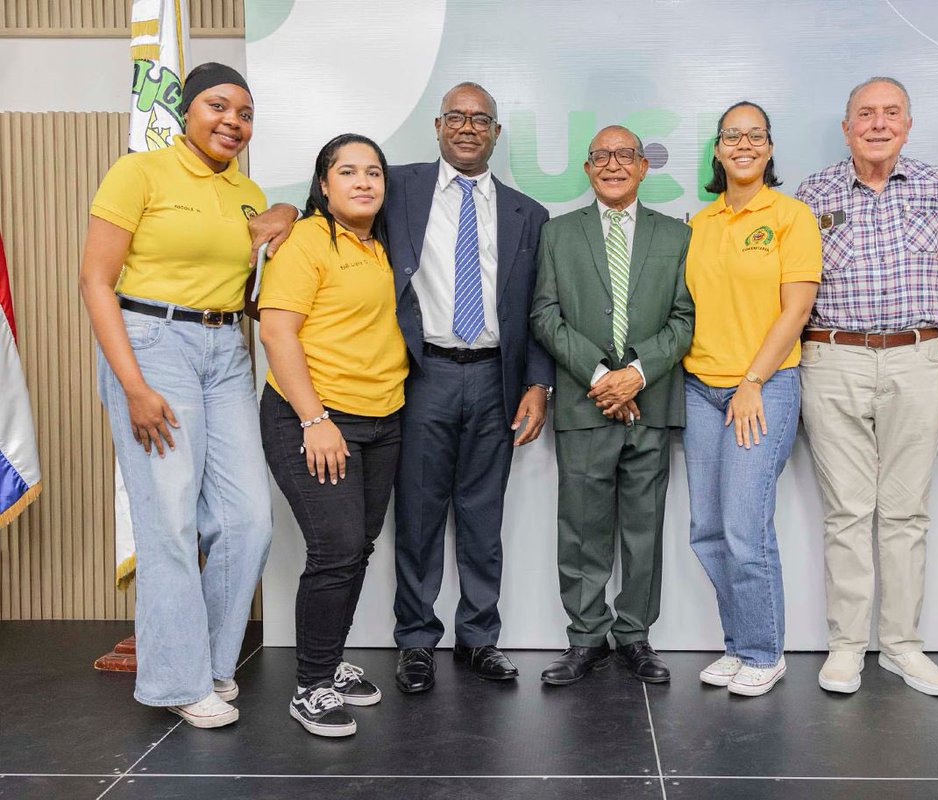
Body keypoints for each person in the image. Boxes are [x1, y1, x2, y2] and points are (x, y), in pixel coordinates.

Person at [249, 82, 552, 693]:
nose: (467, 127)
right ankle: (416, 640)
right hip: (422, 374)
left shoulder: (529, 213)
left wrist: (538, 382)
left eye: (481, 119)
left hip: (495, 377)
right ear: (437, 126)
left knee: (482, 515)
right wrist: (282, 212)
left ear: (496, 132)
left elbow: (537, 304)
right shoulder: (398, 187)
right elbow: (329, 208)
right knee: (417, 514)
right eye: (456, 116)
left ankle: (480, 638)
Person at [79, 62, 272, 729]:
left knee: (248, 521)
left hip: (227, 350)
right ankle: (176, 681)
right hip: (152, 344)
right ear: (187, 111)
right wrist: (133, 385)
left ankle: (209, 664)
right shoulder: (140, 172)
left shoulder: (248, 191)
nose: (233, 122)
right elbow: (96, 281)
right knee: (169, 519)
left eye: (245, 113)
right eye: (218, 106)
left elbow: (250, 293)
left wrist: (278, 224)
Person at [794, 76, 938, 698]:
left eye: (891, 113)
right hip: (833, 359)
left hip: (921, 359)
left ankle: (903, 646)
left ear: (908, 124)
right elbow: (794, 287)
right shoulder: (814, 192)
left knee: (905, 512)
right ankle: (847, 646)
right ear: (846, 126)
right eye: (866, 113)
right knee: (847, 512)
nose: (878, 124)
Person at [530, 125, 693, 686]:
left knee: (645, 529)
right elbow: (544, 314)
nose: (613, 165)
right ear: (587, 168)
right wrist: (602, 377)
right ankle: (585, 638)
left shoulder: (677, 235)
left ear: (644, 166)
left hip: (651, 403)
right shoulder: (558, 234)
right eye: (601, 156)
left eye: (626, 155)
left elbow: (685, 318)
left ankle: (635, 636)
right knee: (581, 528)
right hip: (585, 403)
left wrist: (636, 375)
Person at [258, 134, 408, 736]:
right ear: (324, 184)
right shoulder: (307, 241)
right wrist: (315, 419)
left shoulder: (382, 244)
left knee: (357, 547)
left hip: (383, 418)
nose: (363, 182)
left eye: (373, 172)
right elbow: (276, 333)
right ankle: (311, 686)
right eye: (348, 172)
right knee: (336, 548)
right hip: (316, 418)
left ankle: (328, 661)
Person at [684, 101, 821, 698]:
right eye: (732, 136)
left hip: (763, 387)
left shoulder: (791, 216)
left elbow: (797, 309)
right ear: (717, 149)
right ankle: (739, 645)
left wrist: (752, 382)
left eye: (755, 135)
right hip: (699, 388)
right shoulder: (699, 223)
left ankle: (765, 651)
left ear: (769, 148)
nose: (743, 144)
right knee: (708, 529)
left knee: (745, 526)